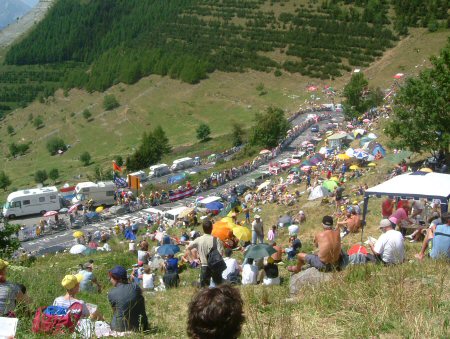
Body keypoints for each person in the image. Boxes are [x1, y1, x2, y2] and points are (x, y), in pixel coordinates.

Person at [108, 265, 149, 332]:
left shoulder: (111, 293)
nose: (110, 280)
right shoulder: (135, 287)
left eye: (111, 278)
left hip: (120, 328)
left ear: (118, 279)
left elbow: (115, 311)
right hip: (141, 326)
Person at [186, 218, 224, 287]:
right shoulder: (216, 239)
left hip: (205, 266)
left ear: (203, 229)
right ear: (212, 228)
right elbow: (221, 254)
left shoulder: (199, 239)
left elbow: (188, 248)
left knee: (204, 289)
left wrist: (192, 260)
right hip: (215, 265)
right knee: (219, 287)